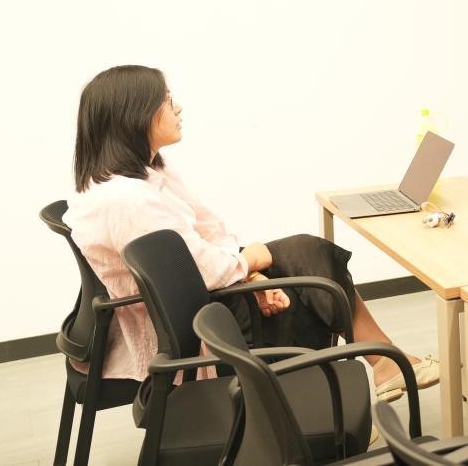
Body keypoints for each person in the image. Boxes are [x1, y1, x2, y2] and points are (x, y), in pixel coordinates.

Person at [64, 64, 437, 401]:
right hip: (194, 324)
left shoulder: (149, 172)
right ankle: (345, 395)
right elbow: (197, 271)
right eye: (167, 101)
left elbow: (209, 228)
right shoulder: (127, 200)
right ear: (136, 115)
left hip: (203, 296)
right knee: (310, 281)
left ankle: (357, 387)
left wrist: (250, 270)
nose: (178, 108)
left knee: (309, 258)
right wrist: (251, 260)